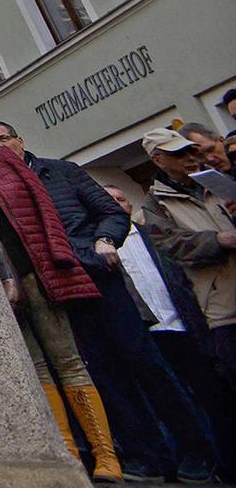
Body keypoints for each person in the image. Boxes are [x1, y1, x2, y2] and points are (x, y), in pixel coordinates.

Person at [0, 121, 213, 482]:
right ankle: (145, 454)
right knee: (101, 372)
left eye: (4, 138)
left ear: (19, 140)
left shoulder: (61, 172)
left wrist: (104, 240)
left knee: (144, 362)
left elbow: (109, 211)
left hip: (95, 274)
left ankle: (195, 449)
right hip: (54, 288)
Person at [0, 106, 117, 480]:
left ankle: (105, 454)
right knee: (33, 367)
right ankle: (65, 451)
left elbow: (12, 199)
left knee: (66, 360)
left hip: (32, 271)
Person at [137, 126, 236, 483]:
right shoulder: (156, 204)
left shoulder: (220, 180)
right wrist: (217, 240)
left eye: (192, 151)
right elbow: (172, 245)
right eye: (179, 155)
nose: (191, 159)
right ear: (159, 160)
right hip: (220, 307)